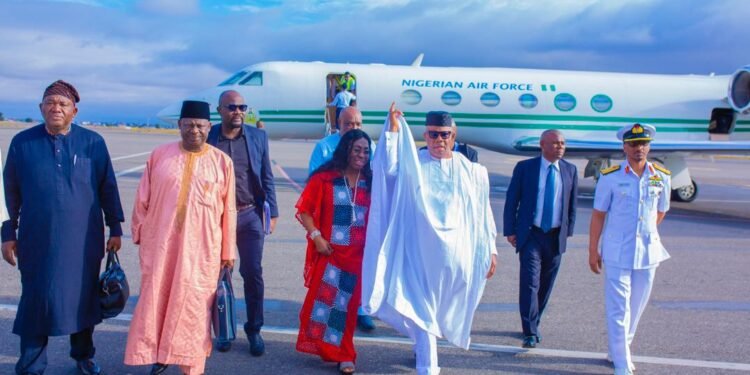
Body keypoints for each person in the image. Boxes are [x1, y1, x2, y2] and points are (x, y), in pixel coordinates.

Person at [362, 105, 498, 375]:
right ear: (425, 135)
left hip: (455, 259)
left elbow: (483, 213)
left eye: (444, 134)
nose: (439, 140)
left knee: (436, 316)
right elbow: (387, 168)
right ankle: (428, 367)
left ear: (454, 135)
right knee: (421, 312)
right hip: (418, 255)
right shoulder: (414, 165)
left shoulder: (470, 171)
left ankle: (422, 344)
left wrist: (491, 250)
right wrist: (392, 129)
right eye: (433, 135)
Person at [1, 80, 125, 375]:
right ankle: (31, 365)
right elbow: (9, 193)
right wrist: (8, 234)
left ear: (74, 111)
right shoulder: (22, 143)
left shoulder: (92, 143)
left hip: (83, 241)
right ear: (40, 108)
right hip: (36, 240)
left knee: (83, 299)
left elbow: (108, 186)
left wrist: (116, 227)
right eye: (50, 103)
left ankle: (84, 357)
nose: (56, 108)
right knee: (35, 300)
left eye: (63, 104)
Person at [124, 100, 237, 375]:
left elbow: (229, 211)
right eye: (189, 125)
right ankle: (159, 355)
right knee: (157, 303)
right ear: (179, 126)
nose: (194, 131)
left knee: (194, 309)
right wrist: (140, 232)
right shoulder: (160, 155)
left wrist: (227, 253)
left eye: (200, 125)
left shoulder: (222, 163)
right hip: (161, 246)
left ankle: (191, 366)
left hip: (202, 252)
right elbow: (142, 200)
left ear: (209, 127)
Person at [588, 123, 671, 375]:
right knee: (618, 307)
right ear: (624, 147)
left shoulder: (661, 176)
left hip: (648, 251)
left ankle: (618, 349)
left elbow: (661, 211)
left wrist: (644, 232)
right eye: (634, 144)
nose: (639, 149)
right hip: (617, 251)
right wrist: (593, 250)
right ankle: (623, 363)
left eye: (644, 144)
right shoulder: (611, 176)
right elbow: (598, 215)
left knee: (636, 307)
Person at [207, 90, 279, 356]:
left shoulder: (258, 136)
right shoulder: (209, 136)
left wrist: (272, 212)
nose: (238, 111)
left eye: (242, 107)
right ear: (220, 110)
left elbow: (267, 176)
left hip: (249, 215)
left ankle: (254, 329)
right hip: (216, 218)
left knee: (252, 273)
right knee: (216, 275)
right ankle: (222, 330)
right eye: (232, 107)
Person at [295, 129, 373, 375]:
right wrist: (316, 237)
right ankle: (334, 350)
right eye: (357, 149)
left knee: (347, 309)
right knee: (325, 307)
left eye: (366, 151)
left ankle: (345, 354)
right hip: (330, 255)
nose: (362, 155)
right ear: (346, 150)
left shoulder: (371, 182)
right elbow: (305, 210)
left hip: (359, 258)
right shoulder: (325, 179)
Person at [503, 129, 578, 348]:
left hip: (555, 237)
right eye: (555, 143)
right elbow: (512, 200)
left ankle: (535, 319)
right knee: (530, 283)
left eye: (563, 143)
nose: (560, 147)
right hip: (532, 234)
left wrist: (568, 231)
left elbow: (571, 205)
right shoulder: (525, 168)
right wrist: (510, 230)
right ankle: (530, 331)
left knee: (546, 283)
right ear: (542, 145)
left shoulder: (570, 170)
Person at [307, 106, 377, 331]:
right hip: (333, 228)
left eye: (357, 124)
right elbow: (315, 186)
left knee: (359, 277)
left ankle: (360, 311)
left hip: (360, 230)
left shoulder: (370, 146)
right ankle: (330, 333)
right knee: (331, 285)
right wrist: (317, 233)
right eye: (348, 123)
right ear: (339, 124)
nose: (353, 128)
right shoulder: (324, 147)